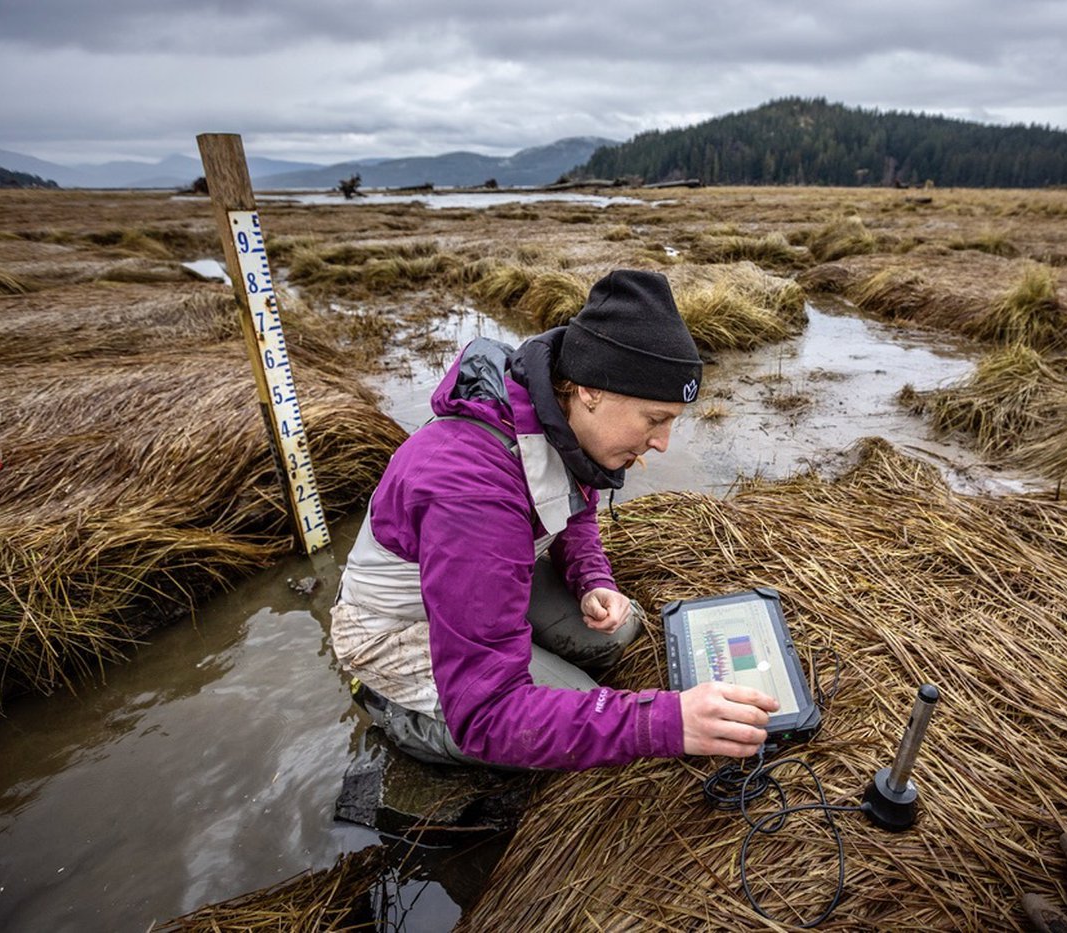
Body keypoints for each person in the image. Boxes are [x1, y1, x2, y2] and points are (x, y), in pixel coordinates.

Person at [331, 269, 779, 771]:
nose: (663, 443)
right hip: (395, 627)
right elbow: (491, 714)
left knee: (617, 632)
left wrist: (591, 578)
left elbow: (574, 504)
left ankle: (502, 635)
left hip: (480, 579)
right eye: (655, 419)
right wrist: (668, 723)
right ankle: (390, 708)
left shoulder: (555, 413)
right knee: (543, 722)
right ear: (590, 391)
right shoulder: (472, 490)